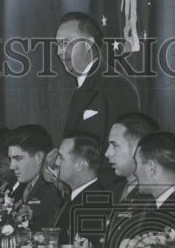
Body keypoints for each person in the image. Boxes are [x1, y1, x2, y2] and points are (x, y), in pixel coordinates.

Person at [57, 11, 139, 149]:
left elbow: (120, 151)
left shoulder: (116, 87)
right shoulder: (84, 86)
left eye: (65, 43)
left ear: (88, 44)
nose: (59, 51)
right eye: (58, 45)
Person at [53, 132, 111, 248]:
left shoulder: (94, 204)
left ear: (79, 165)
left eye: (61, 157)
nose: (56, 163)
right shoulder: (77, 196)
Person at [6, 124, 63, 231]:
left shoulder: (54, 190)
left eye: (18, 158)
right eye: (10, 159)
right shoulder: (23, 186)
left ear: (39, 158)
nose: (11, 167)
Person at [106, 112, 158, 204]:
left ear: (138, 148)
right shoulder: (112, 191)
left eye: (115, 145)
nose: (107, 153)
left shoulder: (156, 195)